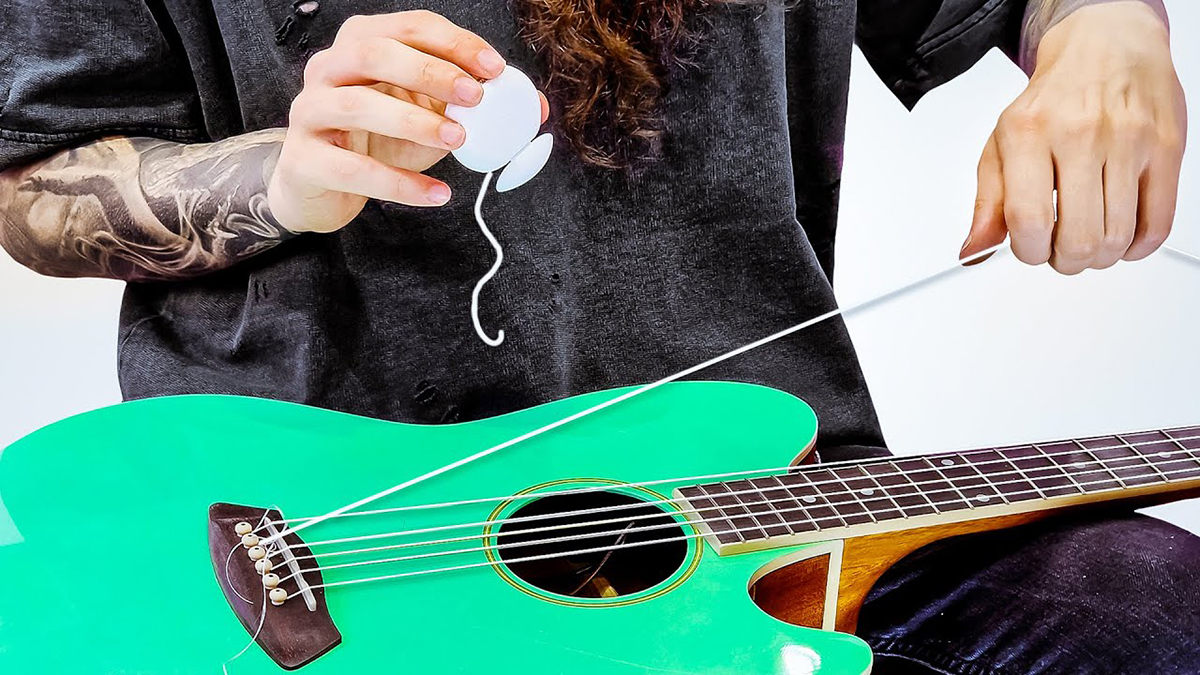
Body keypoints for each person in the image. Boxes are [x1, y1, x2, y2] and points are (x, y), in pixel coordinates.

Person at [0, 1, 1193, 672]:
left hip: (771, 520)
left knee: (1153, 616)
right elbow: (38, 186)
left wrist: (1109, 34)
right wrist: (286, 177)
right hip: (313, 560)